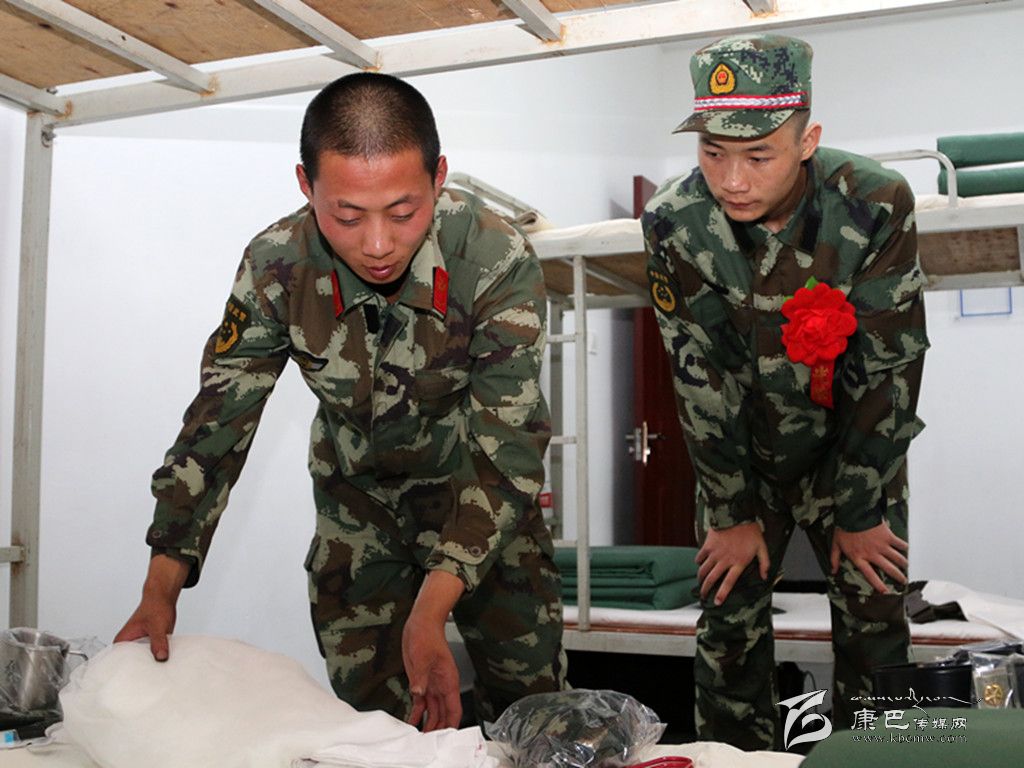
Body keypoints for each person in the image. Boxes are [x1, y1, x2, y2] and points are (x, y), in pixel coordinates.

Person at [116, 72, 567, 731]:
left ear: (438, 177)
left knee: (537, 723)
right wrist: (159, 590)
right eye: (347, 217)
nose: (377, 244)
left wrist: (430, 612)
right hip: (360, 518)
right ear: (306, 185)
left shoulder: (493, 258)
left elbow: (511, 449)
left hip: (481, 509)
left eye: (403, 213)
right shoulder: (278, 266)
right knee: (371, 732)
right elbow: (216, 425)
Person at [642, 34, 928, 750]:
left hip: (851, 450)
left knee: (875, 625)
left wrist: (860, 508)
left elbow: (889, 367)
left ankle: (883, 760)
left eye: (758, 155)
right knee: (727, 626)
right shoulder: (675, 221)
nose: (731, 180)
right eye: (713, 153)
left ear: (808, 141)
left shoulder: (874, 203)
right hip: (740, 457)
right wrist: (731, 509)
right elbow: (697, 371)